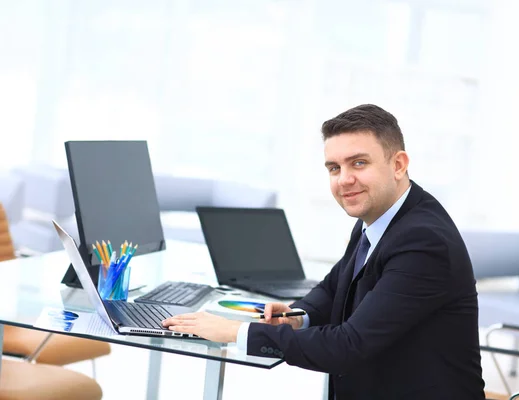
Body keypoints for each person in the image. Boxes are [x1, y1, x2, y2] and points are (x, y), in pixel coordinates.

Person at [162, 104, 486, 399]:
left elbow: (349, 345)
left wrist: (235, 331)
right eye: (334, 168)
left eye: (359, 163)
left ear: (398, 164)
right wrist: (295, 317)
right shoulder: (380, 216)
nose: (345, 180)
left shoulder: (423, 242)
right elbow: (334, 289)